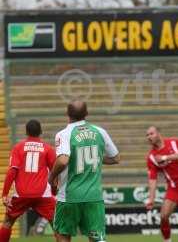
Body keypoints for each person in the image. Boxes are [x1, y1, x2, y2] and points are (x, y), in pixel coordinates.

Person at [48, 100, 120, 242]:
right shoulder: (100, 132)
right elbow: (116, 158)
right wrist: (96, 157)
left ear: (67, 114)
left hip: (69, 197)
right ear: (87, 113)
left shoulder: (64, 134)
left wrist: (51, 177)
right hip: (94, 197)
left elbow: (63, 160)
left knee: (62, 235)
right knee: (96, 238)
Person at [0, 120, 56, 242]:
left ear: (26, 132)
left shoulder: (18, 148)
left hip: (21, 194)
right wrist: (55, 191)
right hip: (42, 194)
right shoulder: (47, 149)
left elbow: (12, 172)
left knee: (7, 222)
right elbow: (55, 173)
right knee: (57, 224)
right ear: (41, 131)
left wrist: (5, 194)